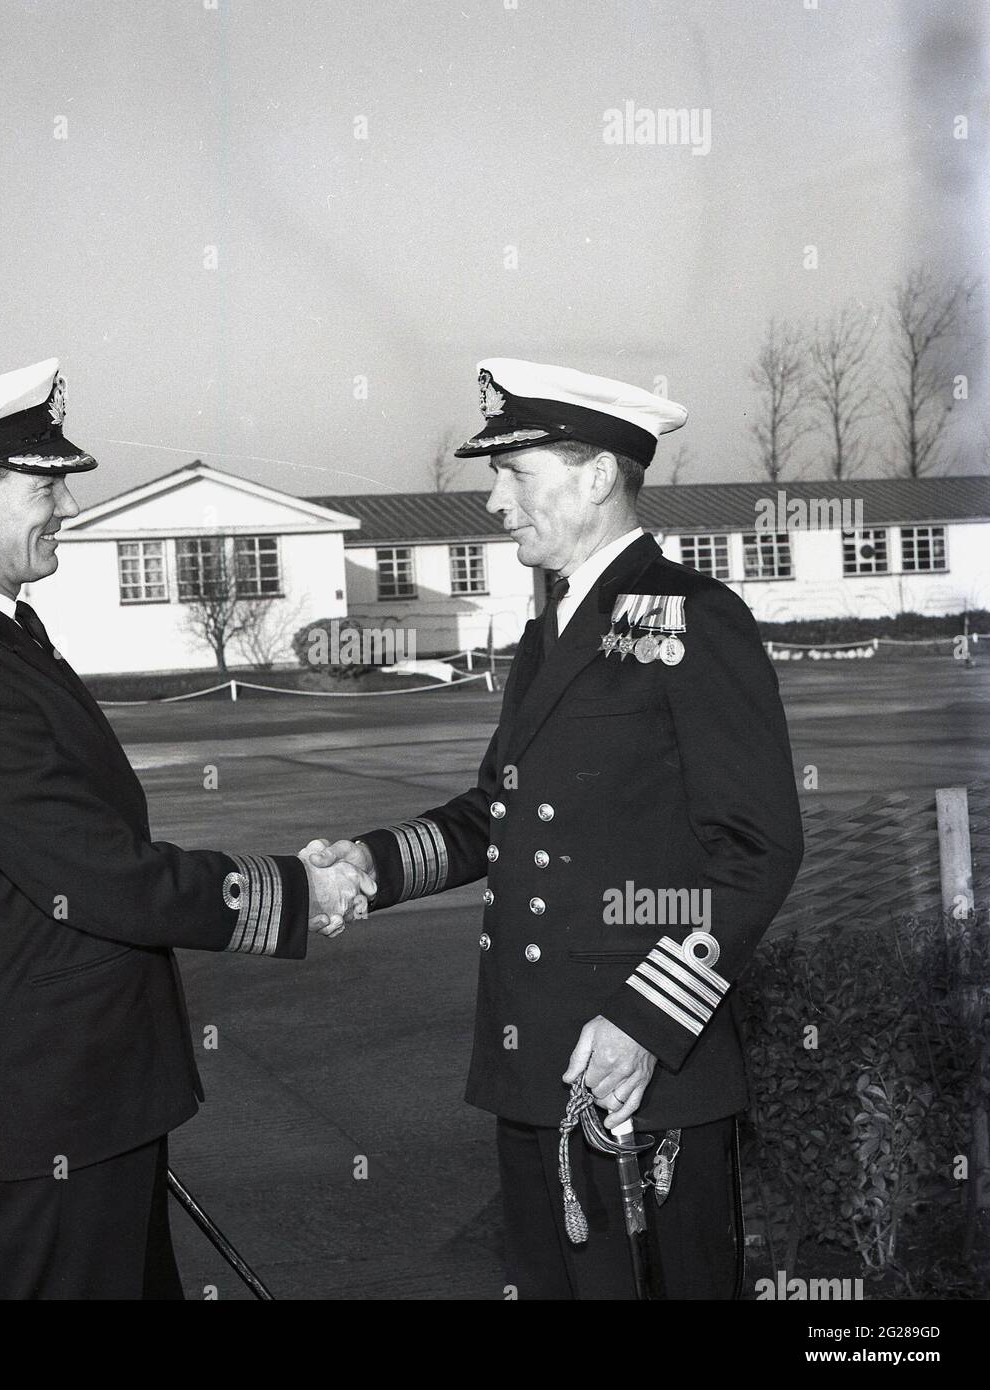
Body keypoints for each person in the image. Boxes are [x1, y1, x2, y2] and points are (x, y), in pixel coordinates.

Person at [305, 357, 803, 1299]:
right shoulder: (553, 631)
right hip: (532, 1065)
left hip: (639, 1076)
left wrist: (647, 1021)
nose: (496, 502)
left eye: (516, 474)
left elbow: (759, 847)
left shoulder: (694, 618)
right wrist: (369, 867)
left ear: (599, 475)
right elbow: (497, 814)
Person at [0, 358, 370, 1299]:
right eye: (44, 484)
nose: (64, 504)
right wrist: (301, 890)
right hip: (59, 1101)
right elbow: (108, 878)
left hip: (93, 1095)